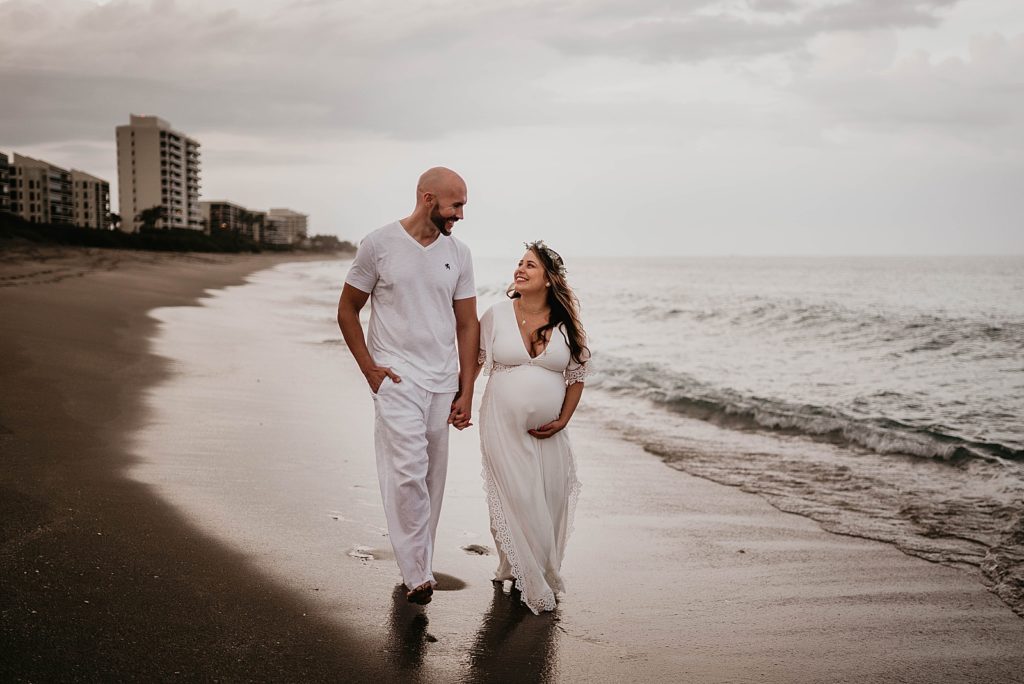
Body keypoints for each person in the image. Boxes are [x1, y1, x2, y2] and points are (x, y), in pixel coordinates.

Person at [337, 167, 479, 605]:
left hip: (442, 380)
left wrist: (467, 388)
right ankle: (417, 573)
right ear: (428, 198)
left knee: (433, 477)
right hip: (396, 377)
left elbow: (467, 324)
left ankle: (418, 561)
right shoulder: (379, 244)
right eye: (456, 205)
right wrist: (369, 368)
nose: (460, 214)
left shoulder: (460, 253)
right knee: (407, 473)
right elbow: (347, 309)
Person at [476, 240, 589, 614]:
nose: (520, 270)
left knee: (548, 498)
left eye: (531, 265)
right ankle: (530, 577)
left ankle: (526, 566)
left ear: (548, 279)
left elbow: (576, 376)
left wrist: (562, 420)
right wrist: (459, 400)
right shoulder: (495, 315)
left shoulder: (567, 325)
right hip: (501, 424)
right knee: (515, 494)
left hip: (550, 431)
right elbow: (476, 362)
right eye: (519, 263)